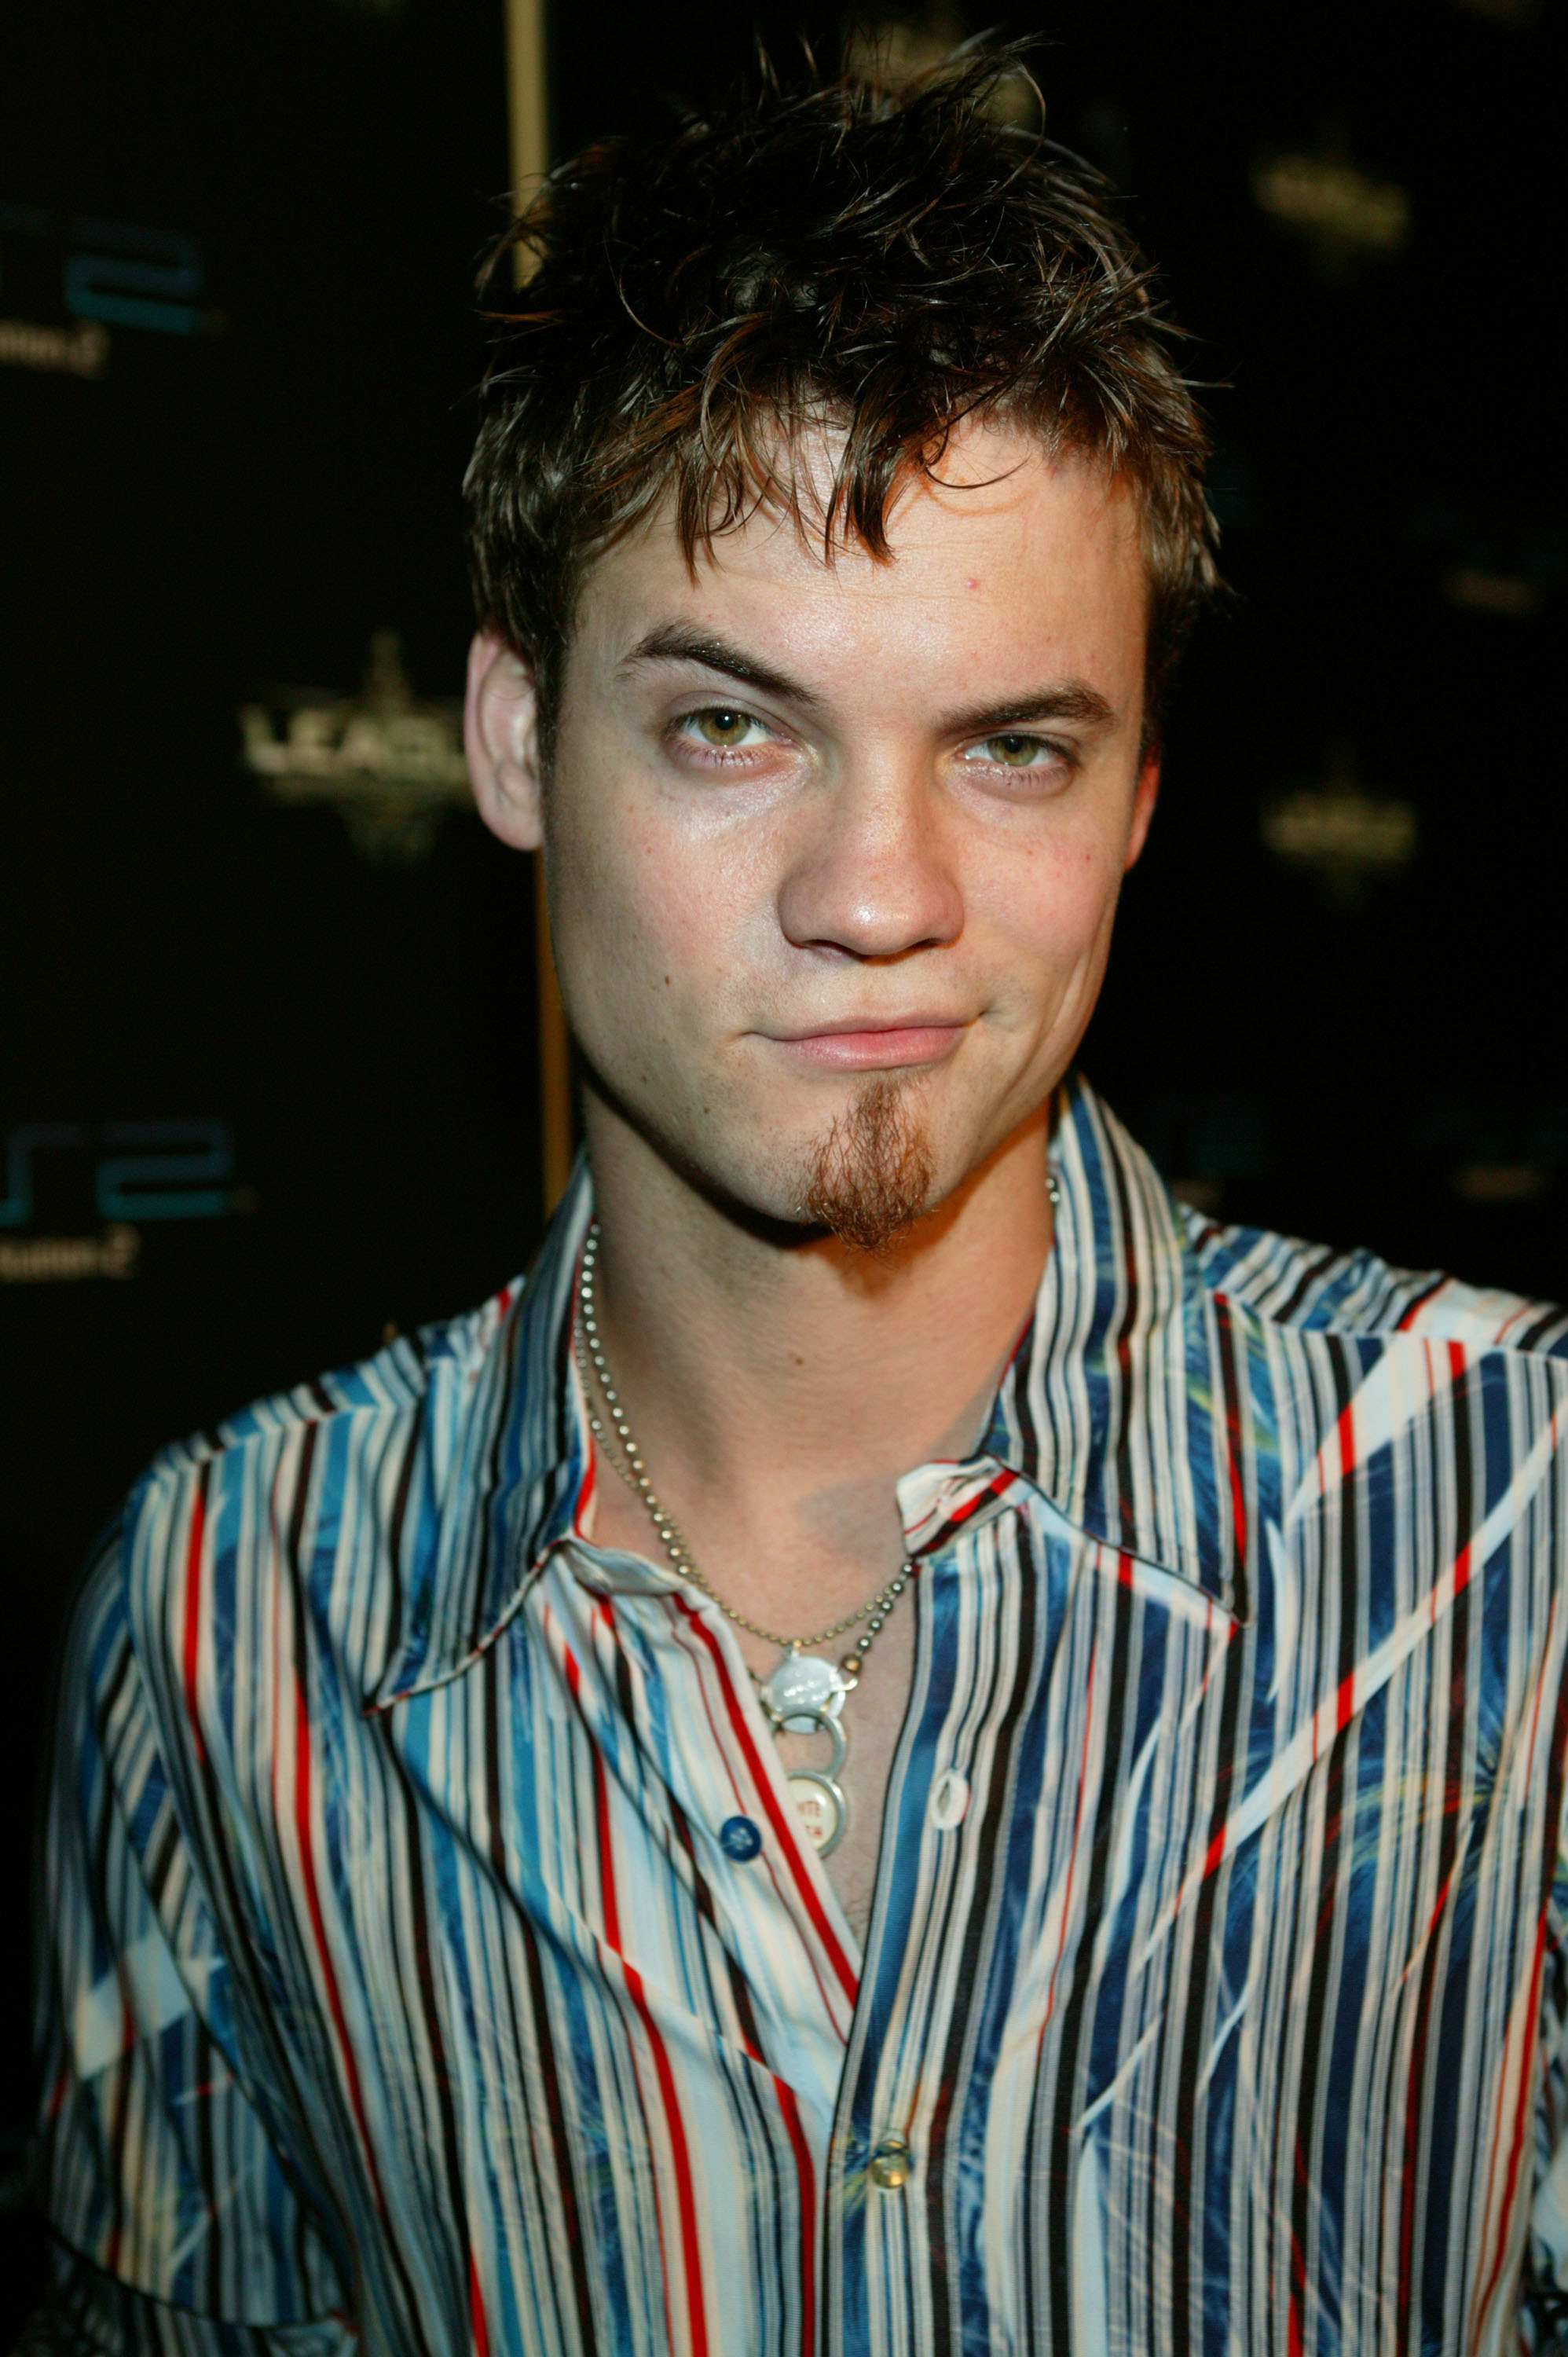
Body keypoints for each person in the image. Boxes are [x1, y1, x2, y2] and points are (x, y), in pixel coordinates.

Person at [26, 46, 1568, 2357]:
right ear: (514, 739)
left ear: (1139, 799)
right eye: (733, 727)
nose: (878, 894)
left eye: (1010, 747)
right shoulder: (229, 1607)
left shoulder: (1515, 1515)